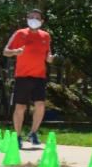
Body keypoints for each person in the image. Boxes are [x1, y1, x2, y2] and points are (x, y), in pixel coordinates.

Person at [3, 9, 54, 149]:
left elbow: (48, 54)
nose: (33, 19)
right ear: (26, 19)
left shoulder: (46, 36)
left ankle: (33, 133)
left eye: (37, 17)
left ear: (42, 21)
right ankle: (18, 136)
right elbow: (5, 51)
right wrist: (15, 51)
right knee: (20, 107)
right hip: (23, 76)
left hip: (39, 77)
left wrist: (49, 58)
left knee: (40, 106)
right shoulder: (20, 33)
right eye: (31, 17)